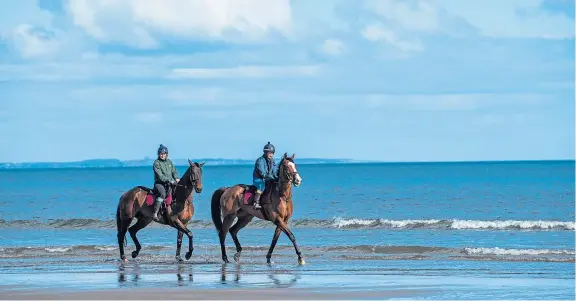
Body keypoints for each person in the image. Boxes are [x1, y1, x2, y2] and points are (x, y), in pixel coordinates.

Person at [152, 144, 179, 221]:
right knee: (163, 194)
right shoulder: (156, 163)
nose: (162, 155)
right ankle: (155, 213)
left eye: (164, 154)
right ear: (158, 154)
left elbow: (174, 171)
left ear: (166, 154)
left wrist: (176, 178)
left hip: (170, 183)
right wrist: (170, 180)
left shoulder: (169, 162)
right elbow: (160, 176)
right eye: (161, 154)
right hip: (159, 183)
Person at [252, 142, 278, 209]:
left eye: (272, 153)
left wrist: (277, 177)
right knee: (262, 186)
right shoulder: (260, 160)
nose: (271, 155)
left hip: (268, 179)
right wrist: (270, 177)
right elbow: (262, 172)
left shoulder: (273, 161)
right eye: (270, 153)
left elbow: (275, 171)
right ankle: (256, 202)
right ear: (265, 153)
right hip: (258, 179)